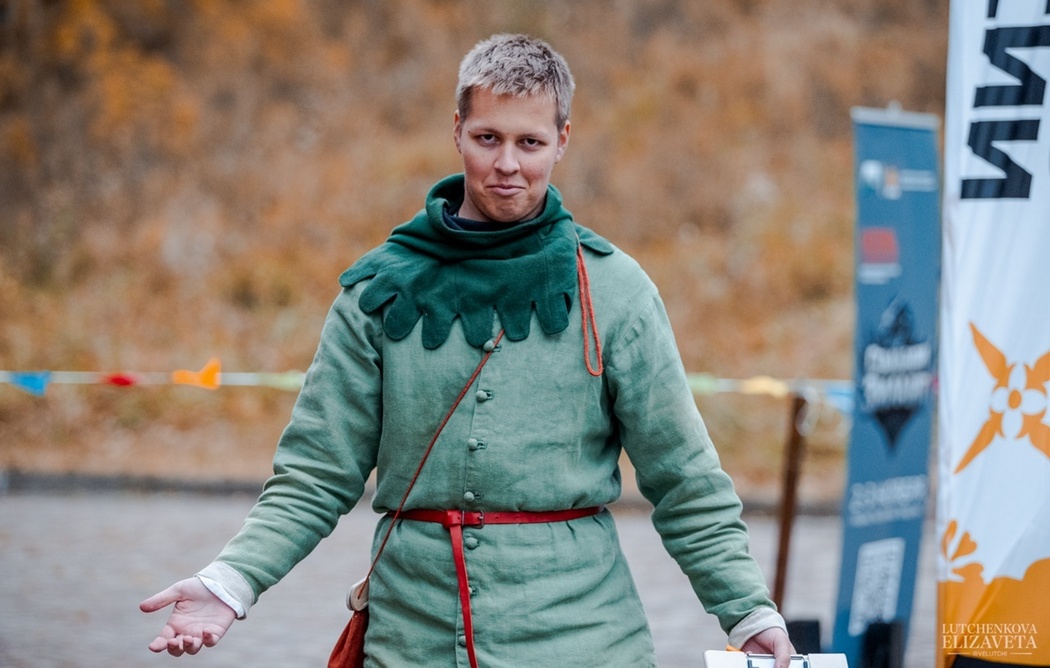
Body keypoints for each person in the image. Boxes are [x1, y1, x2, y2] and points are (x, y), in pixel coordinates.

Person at [141, 33, 795, 667]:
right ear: (457, 131)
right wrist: (231, 582)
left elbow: (685, 479)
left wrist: (749, 613)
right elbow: (315, 474)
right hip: (411, 644)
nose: (507, 164)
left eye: (529, 142)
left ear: (562, 140)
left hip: (583, 645)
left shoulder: (616, 291)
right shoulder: (378, 290)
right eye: (488, 138)